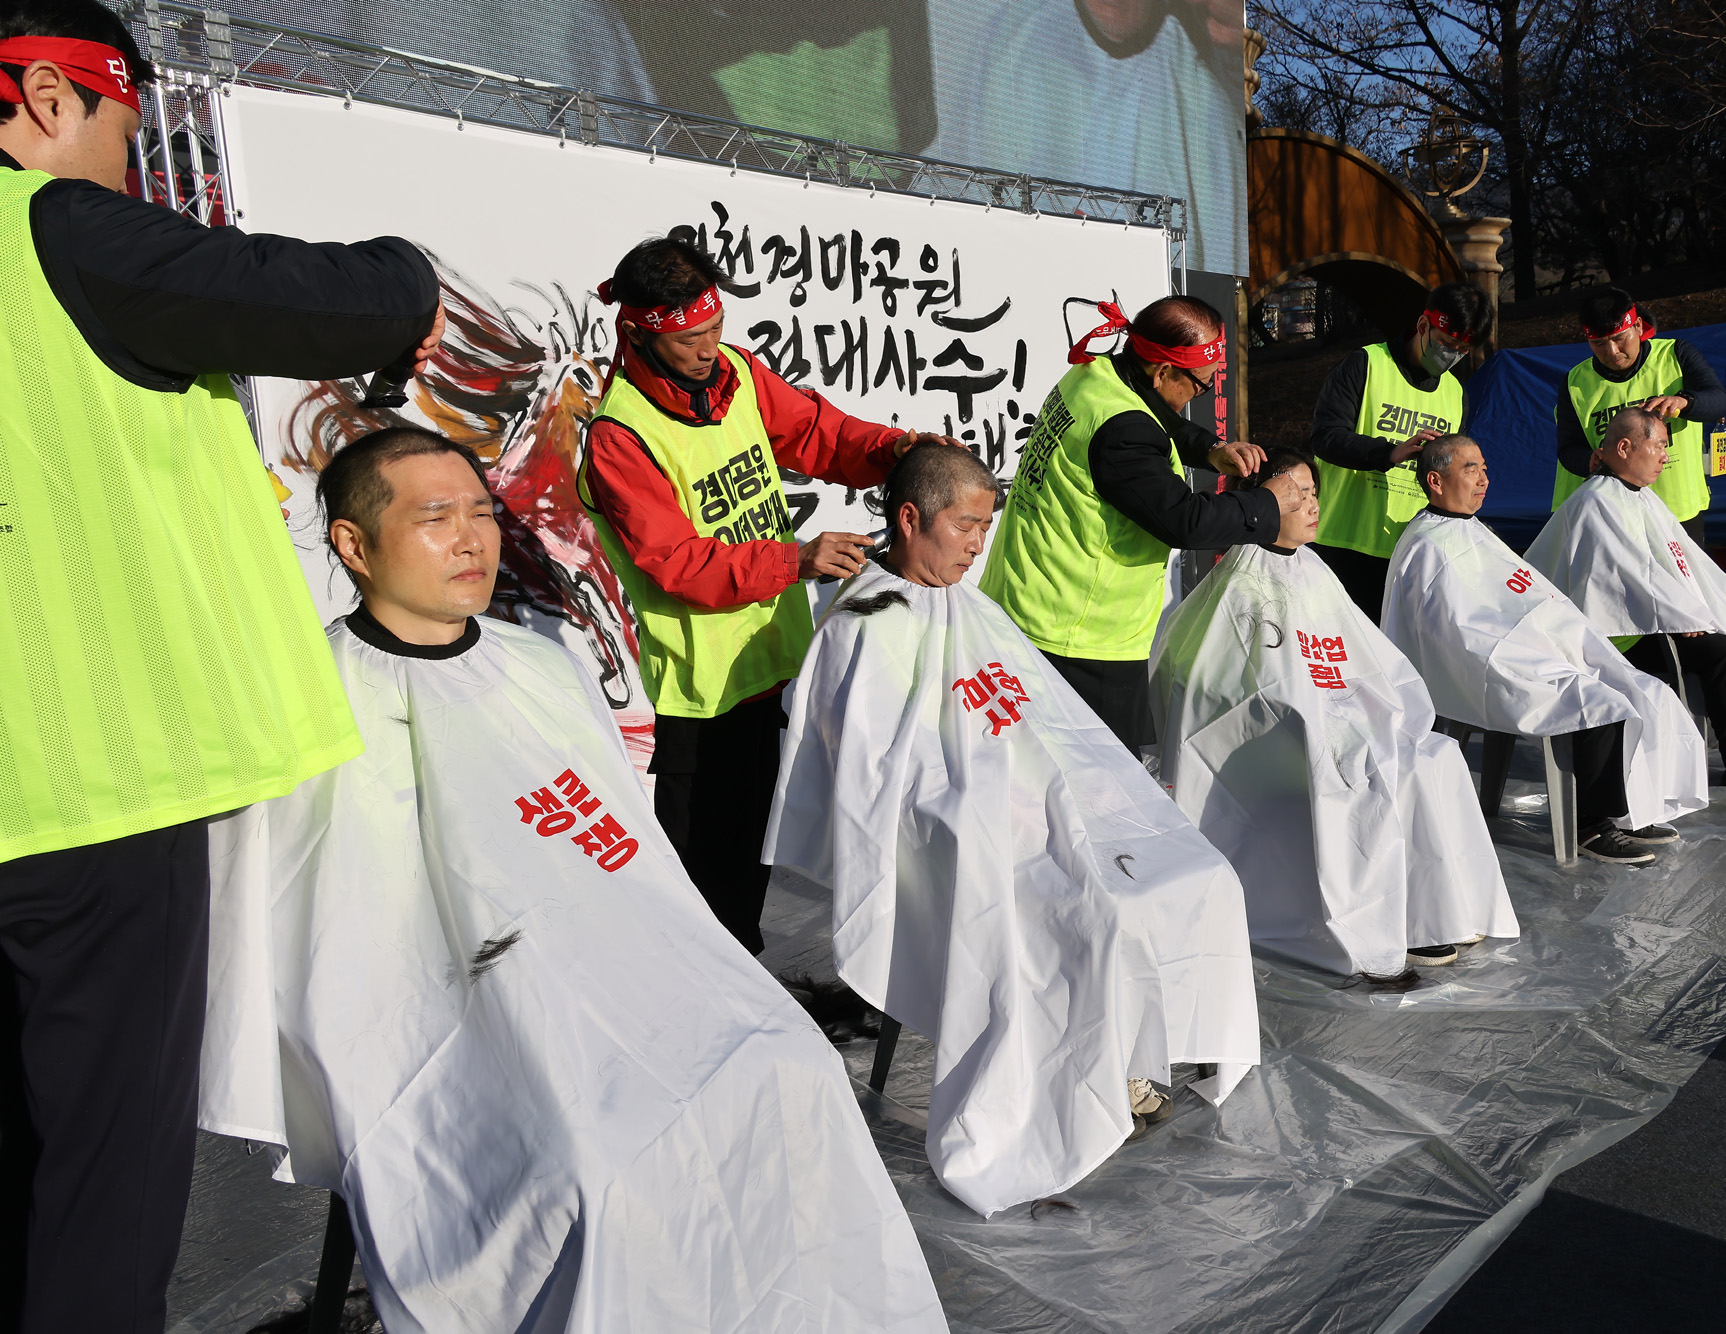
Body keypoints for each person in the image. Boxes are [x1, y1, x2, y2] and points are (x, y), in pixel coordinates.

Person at [203, 428, 947, 1332]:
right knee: (606, 1167)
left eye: (481, 512)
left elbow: (628, 863)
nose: (475, 540)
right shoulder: (308, 704)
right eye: (437, 519)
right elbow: (313, 929)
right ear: (354, 547)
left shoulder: (538, 667)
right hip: (450, 1021)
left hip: (617, 977)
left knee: (794, 1069)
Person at [0, 3, 443, 1327]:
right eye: (125, 136)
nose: (129, 178)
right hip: (89, 792)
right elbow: (345, 301)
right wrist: (412, 274)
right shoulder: (54, 234)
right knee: (103, 1171)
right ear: (39, 97)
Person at [765, 444, 1261, 1217]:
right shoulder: (864, 624)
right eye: (965, 526)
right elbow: (882, 783)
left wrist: (1086, 793)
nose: (977, 544)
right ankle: (1079, 1080)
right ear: (909, 518)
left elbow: (1047, 728)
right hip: (954, 839)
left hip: (1033, 810)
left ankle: (1136, 1049)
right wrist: (1002, 812)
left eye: (985, 527)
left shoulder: (966, 603)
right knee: (1091, 909)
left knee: (1195, 873)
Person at [578, 235, 955, 956]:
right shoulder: (619, 436)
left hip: (768, 665)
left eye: (716, 329)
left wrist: (895, 449)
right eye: (689, 338)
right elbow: (679, 564)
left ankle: (747, 988)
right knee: (703, 879)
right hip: (703, 689)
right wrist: (797, 559)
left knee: (751, 859)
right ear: (639, 330)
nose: (707, 349)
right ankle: (705, 1013)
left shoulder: (738, 376)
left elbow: (820, 435)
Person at [1152, 448, 1519, 970]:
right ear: (1261, 500)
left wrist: (1371, 714)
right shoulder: (1239, 584)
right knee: (1364, 767)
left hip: (1338, 714)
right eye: (1296, 494)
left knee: (1432, 755)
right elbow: (1220, 686)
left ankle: (1437, 912)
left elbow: (1369, 664)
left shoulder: (1314, 571)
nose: (1311, 504)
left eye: (1314, 492)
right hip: (1274, 742)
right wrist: (1315, 718)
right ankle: (1378, 924)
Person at [980, 295, 1302, 754]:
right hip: (1078, 635)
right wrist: (1266, 504)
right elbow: (1186, 522)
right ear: (1163, 372)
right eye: (1200, 385)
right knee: (1104, 794)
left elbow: (1157, 420)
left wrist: (1209, 449)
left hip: (1027, 600)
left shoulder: (1096, 376)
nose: (1201, 395)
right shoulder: (1124, 429)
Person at [1383, 436, 1709, 868]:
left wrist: (1555, 638)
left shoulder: (1470, 530)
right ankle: (1591, 824)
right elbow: (1452, 633)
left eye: (1484, 468)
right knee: (1600, 701)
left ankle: (1634, 807)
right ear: (1434, 480)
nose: (1484, 479)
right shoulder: (1426, 545)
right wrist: (1527, 649)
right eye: (1470, 470)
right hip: (1486, 666)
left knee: (1642, 688)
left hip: (1525, 649)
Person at [1526, 409, 1726, 803]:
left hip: (1647, 622)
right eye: (1660, 446)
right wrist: (1679, 615)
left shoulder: (1640, 498)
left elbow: (1675, 566)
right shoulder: (1595, 503)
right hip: (1616, 641)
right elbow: (1617, 581)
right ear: (1625, 447)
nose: (1665, 456)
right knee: (1724, 652)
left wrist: (1697, 609)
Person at [1304, 282, 1494, 623]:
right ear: (1423, 326)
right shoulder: (1366, 364)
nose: (1453, 357)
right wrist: (1389, 452)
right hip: (1342, 545)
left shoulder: (1454, 392)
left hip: (1412, 552)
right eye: (1447, 344)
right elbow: (1325, 438)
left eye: (1463, 350)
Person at [1551, 288, 1726, 546]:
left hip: (1677, 512)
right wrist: (1591, 459)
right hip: (1614, 516)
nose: (1612, 351)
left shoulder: (1675, 355)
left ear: (1636, 326)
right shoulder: (1575, 382)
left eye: (1620, 338)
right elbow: (1568, 448)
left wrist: (1684, 401)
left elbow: (1719, 401)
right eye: (1599, 343)